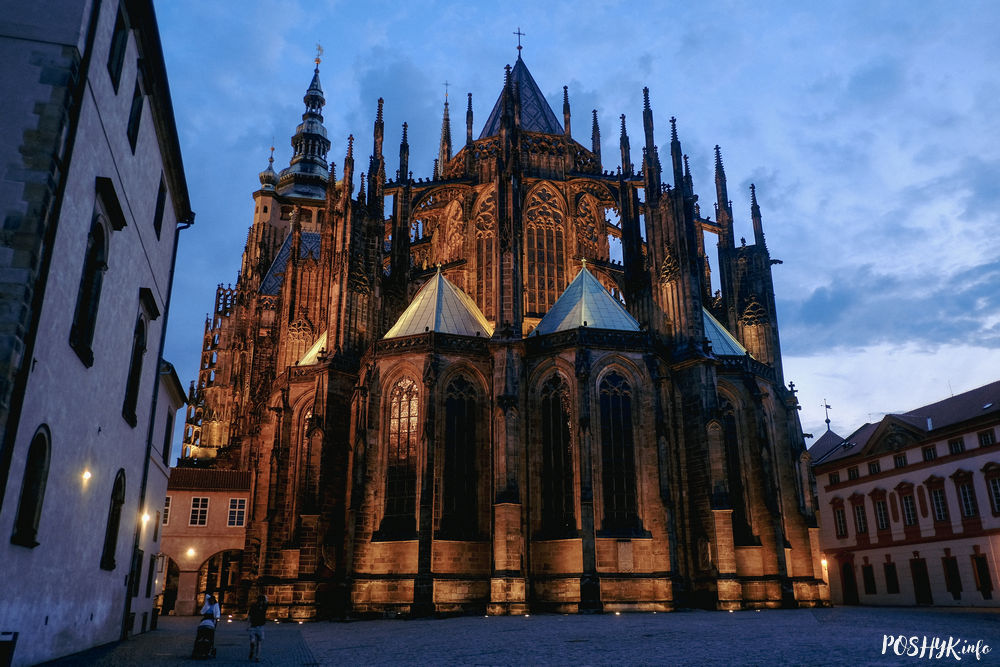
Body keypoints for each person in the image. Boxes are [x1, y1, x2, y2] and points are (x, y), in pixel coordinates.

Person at [247, 594, 268, 662]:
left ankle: (257, 657)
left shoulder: (264, 606)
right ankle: (252, 650)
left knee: (259, 642)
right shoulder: (254, 606)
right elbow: (249, 616)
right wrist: (248, 625)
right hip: (253, 626)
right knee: (252, 642)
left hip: (260, 626)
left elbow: (267, 601)